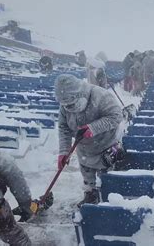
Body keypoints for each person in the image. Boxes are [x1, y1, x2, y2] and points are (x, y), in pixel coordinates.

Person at [55, 74, 124, 207]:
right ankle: (90, 194)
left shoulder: (101, 96)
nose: (69, 108)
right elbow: (64, 128)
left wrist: (93, 128)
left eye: (72, 104)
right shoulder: (65, 105)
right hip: (84, 148)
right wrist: (64, 151)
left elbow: (116, 116)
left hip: (106, 143)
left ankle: (110, 198)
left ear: (80, 94)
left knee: (107, 175)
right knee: (87, 173)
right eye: (66, 106)